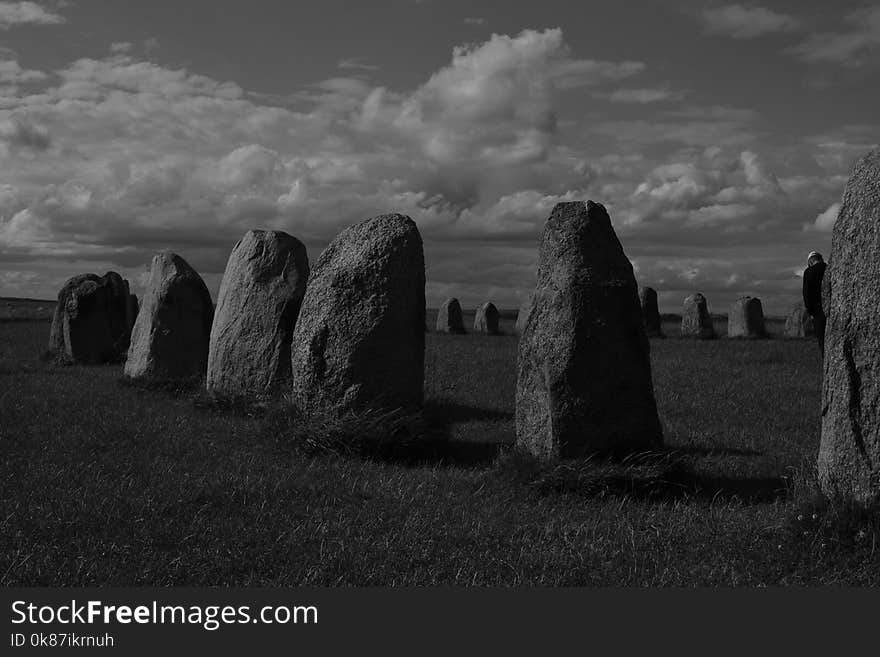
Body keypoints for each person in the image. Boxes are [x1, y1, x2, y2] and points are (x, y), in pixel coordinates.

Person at [802, 251, 827, 355]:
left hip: (817, 311)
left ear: (810, 261)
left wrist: (810, 311)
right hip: (832, 309)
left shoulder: (809, 272)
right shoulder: (828, 268)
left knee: (822, 341)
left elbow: (806, 293)